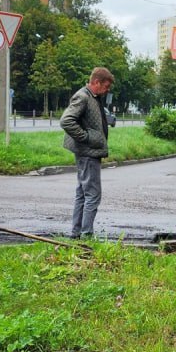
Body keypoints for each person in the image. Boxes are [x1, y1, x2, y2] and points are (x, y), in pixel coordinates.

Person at [60, 66, 114, 238]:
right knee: (92, 195)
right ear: (96, 82)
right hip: (87, 153)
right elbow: (66, 121)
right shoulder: (83, 97)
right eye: (106, 86)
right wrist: (86, 137)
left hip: (89, 152)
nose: (107, 91)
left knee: (83, 194)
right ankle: (86, 235)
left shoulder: (93, 96)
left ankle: (77, 233)